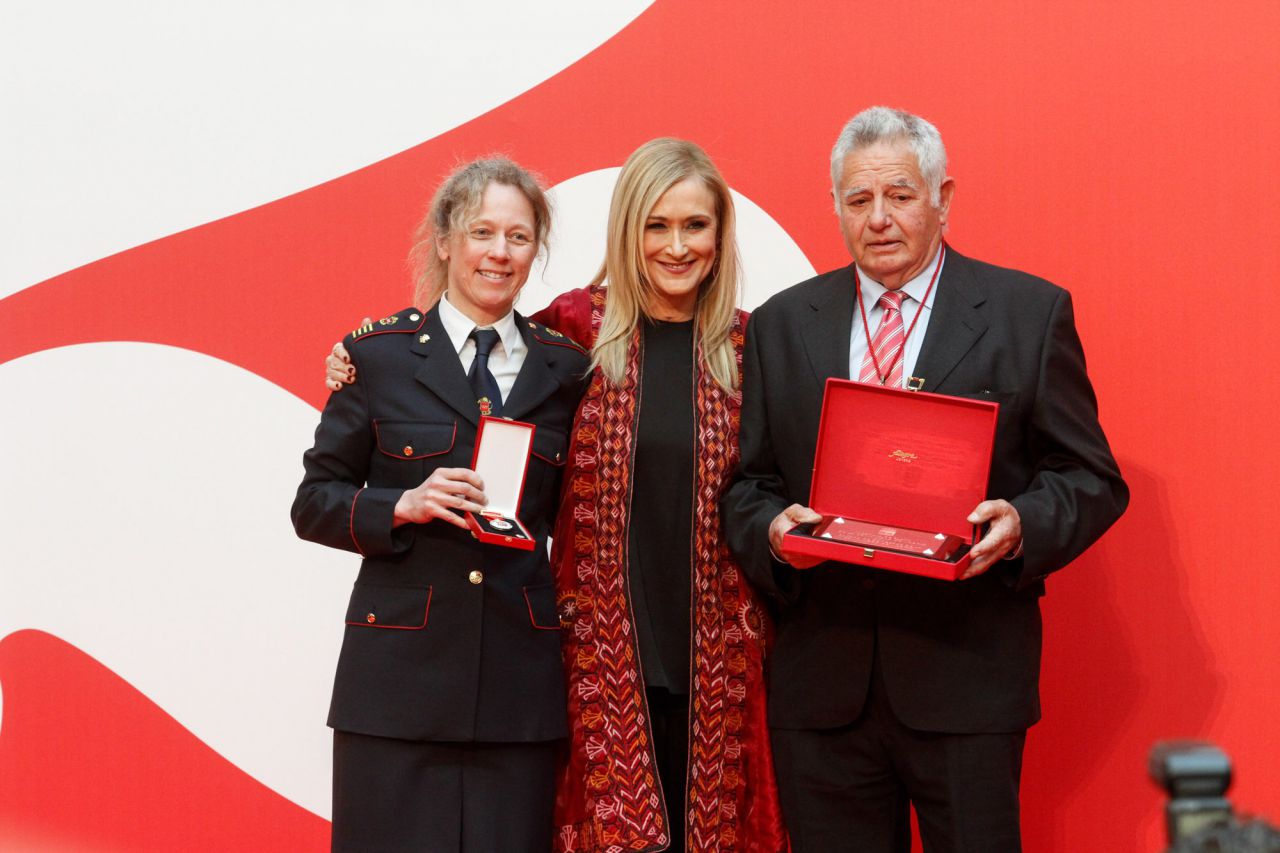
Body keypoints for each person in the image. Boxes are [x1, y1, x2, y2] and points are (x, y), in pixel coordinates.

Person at [328, 139, 787, 853]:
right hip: (590, 669)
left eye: (694, 225)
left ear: (720, 235)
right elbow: (467, 349)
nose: (675, 245)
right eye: (655, 225)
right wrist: (355, 356)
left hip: (721, 675)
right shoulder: (570, 333)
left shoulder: (753, 347)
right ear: (626, 229)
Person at [721, 107, 1129, 853]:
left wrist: (1022, 525)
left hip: (968, 680)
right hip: (824, 687)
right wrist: (774, 534)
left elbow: (1090, 475)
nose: (879, 219)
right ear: (838, 207)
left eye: (900, 195)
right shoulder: (783, 324)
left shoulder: (1026, 314)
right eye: (858, 200)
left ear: (944, 197)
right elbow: (750, 484)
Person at [293, 157, 591, 852]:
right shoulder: (378, 356)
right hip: (394, 690)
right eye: (482, 231)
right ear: (446, 240)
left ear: (535, 251)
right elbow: (313, 501)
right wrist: (402, 503)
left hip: (518, 693)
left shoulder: (568, 369)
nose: (499, 252)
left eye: (518, 237)